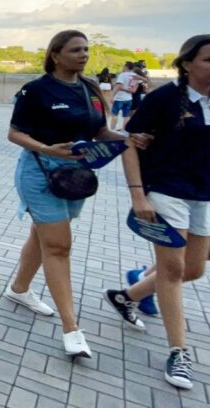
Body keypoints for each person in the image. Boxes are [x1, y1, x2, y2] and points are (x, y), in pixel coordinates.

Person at [3, 30, 128, 359]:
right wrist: (47, 149)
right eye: (75, 50)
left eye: (86, 49)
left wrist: (128, 138)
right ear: (55, 55)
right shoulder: (36, 90)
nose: (83, 54)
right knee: (59, 245)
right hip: (39, 170)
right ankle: (71, 327)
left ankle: (18, 290)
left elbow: (99, 130)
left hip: (76, 174)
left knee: (44, 234)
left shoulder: (90, 89)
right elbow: (14, 133)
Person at [104, 35, 210, 390]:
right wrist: (138, 195)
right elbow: (130, 143)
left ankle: (126, 296)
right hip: (166, 190)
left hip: (203, 195)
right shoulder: (165, 98)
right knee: (173, 269)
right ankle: (179, 352)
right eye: (209, 60)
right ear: (187, 64)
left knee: (194, 268)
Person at [110, 62, 137, 130]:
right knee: (126, 116)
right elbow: (133, 88)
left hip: (120, 98)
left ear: (126, 67)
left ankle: (112, 130)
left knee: (114, 115)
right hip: (129, 98)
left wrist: (112, 96)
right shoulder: (135, 75)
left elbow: (119, 86)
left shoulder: (122, 75)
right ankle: (124, 131)